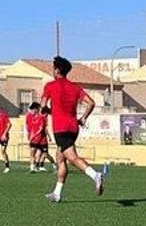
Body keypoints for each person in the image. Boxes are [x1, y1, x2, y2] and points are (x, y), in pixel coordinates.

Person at [41, 56, 105, 202]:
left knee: (72, 157)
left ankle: (95, 175)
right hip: (73, 127)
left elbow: (43, 105)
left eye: (53, 68)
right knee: (60, 158)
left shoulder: (50, 86)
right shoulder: (75, 87)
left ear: (57, 70)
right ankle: (57, 193)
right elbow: (91, 103)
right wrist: (83, 118)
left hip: (61, 129)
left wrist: (46, 110)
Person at [24, 104, 50, 172]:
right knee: (32, 152)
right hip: (33, 137)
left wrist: (49, 136)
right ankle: (33, 167)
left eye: (32, 109)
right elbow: (29, 127)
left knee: (43, 154)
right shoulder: (31, 117)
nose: (31, 111)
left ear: (36, 109)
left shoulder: (41, 117)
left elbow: (42, 128)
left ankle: (37, 166)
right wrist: (29, 136)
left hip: (39, 138)